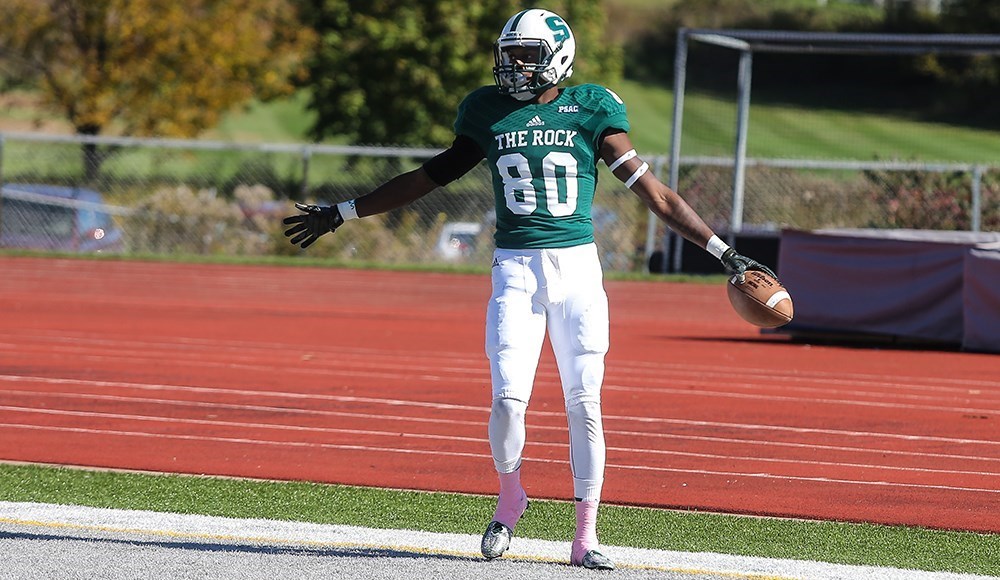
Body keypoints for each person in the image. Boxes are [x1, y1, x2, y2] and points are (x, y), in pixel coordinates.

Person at [283, 7, 776, 570]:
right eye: (509, 55)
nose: (514, 66)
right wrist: (344, 211)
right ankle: (510, 496)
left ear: (558, 57)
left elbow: (655, 195)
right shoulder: (485, 112)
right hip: (515, 270)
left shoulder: (592, 108)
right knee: (506, 400)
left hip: (579, 272)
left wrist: (724, 252)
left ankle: (585, 535)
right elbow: (427, 177)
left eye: (526, 55)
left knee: (584, 403)